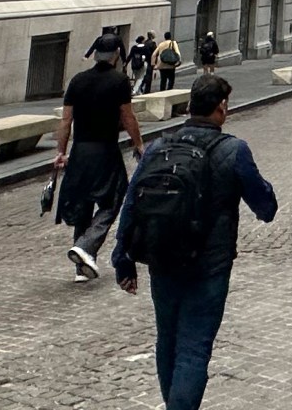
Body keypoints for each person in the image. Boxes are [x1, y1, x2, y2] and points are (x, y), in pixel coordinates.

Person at [112, 75, 277, 410]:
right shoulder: (234, 150)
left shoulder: (160, 146)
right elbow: (266, 208)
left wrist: (122, 257)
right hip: (209, 265)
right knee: (194, 347)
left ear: (189, 107)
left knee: (168, 341)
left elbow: (132, 202)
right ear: (222, 108)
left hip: (162, 258)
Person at [55, 45, 147, 280]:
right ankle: (86, 246)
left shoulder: (77, 80)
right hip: (105, 149)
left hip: (80, 152)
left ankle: (82, 267)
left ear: (96, 55)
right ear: (116, 54)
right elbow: (128, 116)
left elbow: (66, 121)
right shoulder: (119, 81)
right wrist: (138, 144)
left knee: (84, 204)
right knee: (114, 199)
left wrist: (61, 152)